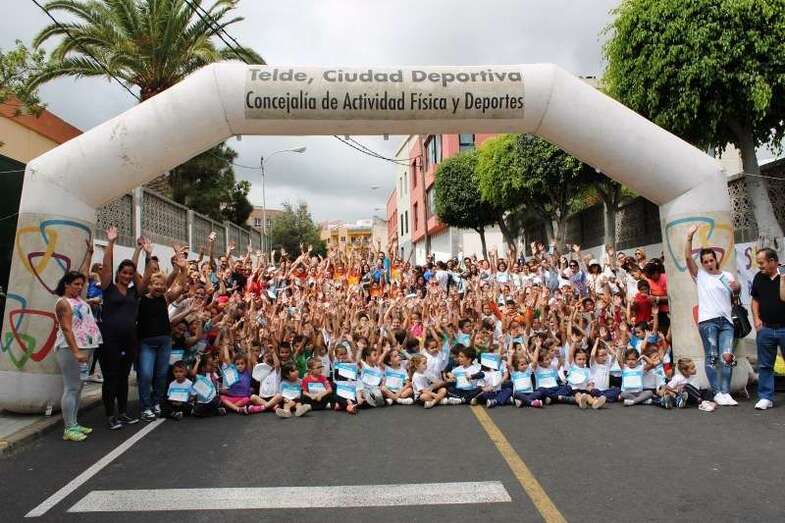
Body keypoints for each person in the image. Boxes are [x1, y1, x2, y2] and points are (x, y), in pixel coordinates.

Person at [684, 225, 741, 406]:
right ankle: (716, 392)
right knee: (712, 356)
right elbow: (687, 258)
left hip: (726, 321)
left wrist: (736, 288)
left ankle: (725, 392)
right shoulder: (700, 275)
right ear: (702, 263)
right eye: (705, 261)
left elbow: (736, 293)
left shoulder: (726, 275)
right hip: (708, 321)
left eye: (711, 260)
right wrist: (689, 237)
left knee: (727, 356)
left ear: (716, 260)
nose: (709, 263)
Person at [53, 240, 102, 441]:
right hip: (71, 349)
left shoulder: (78, 299)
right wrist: (75, 351)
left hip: (86, 347)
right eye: (76, 284)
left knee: (79, 387)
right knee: (71, 387)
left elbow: (82, 271)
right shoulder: (63, 303)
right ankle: (68, 428)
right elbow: (66, 328)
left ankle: (74, 423)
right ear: (66, 284)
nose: (80, 287)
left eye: (82, 284)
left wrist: (89, 254)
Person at [98, 226, 143, 430]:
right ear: (118, 273)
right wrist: (111, 242)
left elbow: (140, 274)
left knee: (123, 378)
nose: (127, 275)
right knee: (111, 378)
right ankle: (109, 415)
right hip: (109, 341)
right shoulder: (108, 287)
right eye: (123, 272)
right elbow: (106, 267)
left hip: (129, 341)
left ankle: (123, 412)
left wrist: (140, 250)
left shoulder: (135, 292)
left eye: (130, 273)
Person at [750, 247, 785, 410]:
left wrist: (782, 276)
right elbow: (755, 300)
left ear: (772, 261)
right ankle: (766, 397)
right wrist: (756, 320)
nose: (759, 267)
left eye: (761, 263)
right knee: (765, 365)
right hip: (765, 329)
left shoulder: (784, 274)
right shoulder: (759, 277)